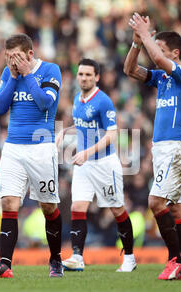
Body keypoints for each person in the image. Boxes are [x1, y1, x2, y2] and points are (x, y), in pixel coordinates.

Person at [124, 13, 181, 280]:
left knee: (155, 202)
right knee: (177, 209)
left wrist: (146, 35)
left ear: (175, 54)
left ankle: (175, 259)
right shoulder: (161, 79)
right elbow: (130, 70)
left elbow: (156, 58)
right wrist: (136, 43)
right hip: (162, 150)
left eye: (163, 49)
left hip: (175, 148)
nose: (157, 52)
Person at [0, 33, 63, 278]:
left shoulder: (51, 70)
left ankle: (56, 259)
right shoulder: (9, 74)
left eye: (16, 57)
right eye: (8, 58)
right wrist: (13, 78)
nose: (11, 62)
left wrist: (27, 75)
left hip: (41, 148)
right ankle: (5, 263)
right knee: (8, 203)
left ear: (29, 54)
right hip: (13, 147)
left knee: (48, 207)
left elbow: (45, 103)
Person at [56, 58, 136, 272]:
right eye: (81, 74)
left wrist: (87, 153)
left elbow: (111, 135)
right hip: (84, 164)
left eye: (88, 75)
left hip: (104, 164)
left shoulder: (103, 101)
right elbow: (82, 124)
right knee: (77, 207)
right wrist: (66, 131)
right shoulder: (77, 99)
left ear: (97, 77)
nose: (84, 78)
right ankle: (77, 256)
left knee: (117, 209)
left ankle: (129, 257)